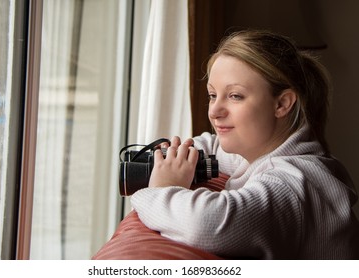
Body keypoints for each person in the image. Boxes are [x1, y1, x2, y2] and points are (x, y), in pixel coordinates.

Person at [130, 29, 359, 259]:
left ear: (282, 104)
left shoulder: (292, 183)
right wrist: (176, 157)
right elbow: (212, 145)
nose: (214, 111)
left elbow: (205, 224)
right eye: (212, 95)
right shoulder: (265, 151)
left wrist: (158, 189)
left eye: (235, 96)